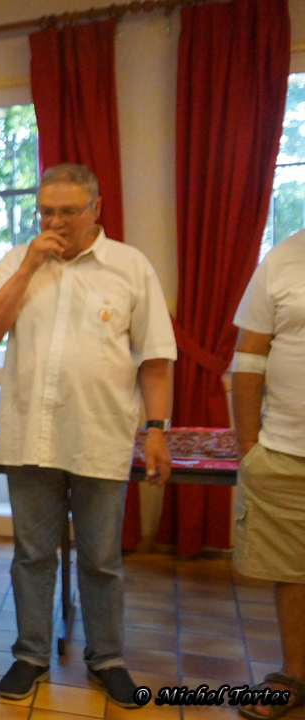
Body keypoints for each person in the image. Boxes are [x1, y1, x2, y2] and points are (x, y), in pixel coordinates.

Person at [0, 164, 175, 708]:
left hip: (100, 436)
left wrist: (157, 430)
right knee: (32, 554)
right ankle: (31, 653)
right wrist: (30, 264)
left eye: (68, 211)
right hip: (29, 438)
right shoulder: (18, 260)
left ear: (96, 209)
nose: (55, 221)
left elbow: (155, 358)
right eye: (47, 212)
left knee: (101, 558)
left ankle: (107, 657)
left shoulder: (130, 267)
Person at [230, 229, 305, 720]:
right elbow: (249, 357)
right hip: (285, 451)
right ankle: (295, 673)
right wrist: (248, 445)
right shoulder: (282, 260)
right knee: (292, 571)